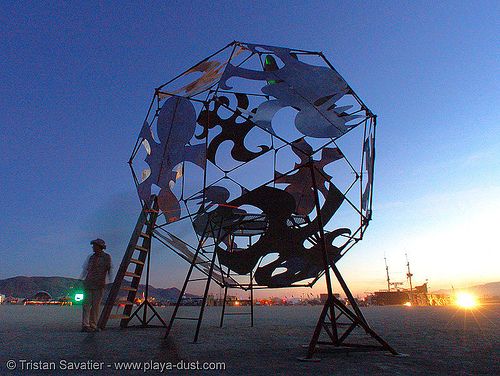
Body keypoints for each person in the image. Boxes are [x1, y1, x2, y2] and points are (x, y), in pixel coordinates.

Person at [81, 238, 112, 332]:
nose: (93, 247)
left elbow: (109, 269)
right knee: (86, 305)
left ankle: (93, 324)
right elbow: (86, 270)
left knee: (95, 306)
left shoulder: (106, 257)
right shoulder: (91, 257)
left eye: (94, 245)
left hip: (99, 285)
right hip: (89, 284)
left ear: (99, 247)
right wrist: (80, 279)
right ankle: (85, 325)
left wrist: (110, 281)